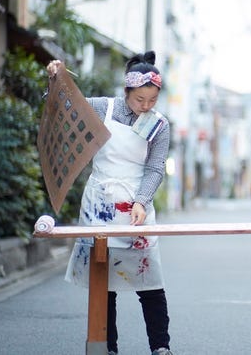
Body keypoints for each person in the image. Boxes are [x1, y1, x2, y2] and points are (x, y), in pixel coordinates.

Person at [47, 52, 172, 355]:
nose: (145, 106)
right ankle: (107, 347)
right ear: (126, 91)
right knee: (104, 282)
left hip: (135, 205)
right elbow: (64, 106)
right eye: (140, 99)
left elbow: (155, 168)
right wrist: (56, 79)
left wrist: (142, 201)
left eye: (152, 100)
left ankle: (161, 347)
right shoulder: (104, 107)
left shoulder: (159, 124)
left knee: (149, 280)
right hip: (99, 203)